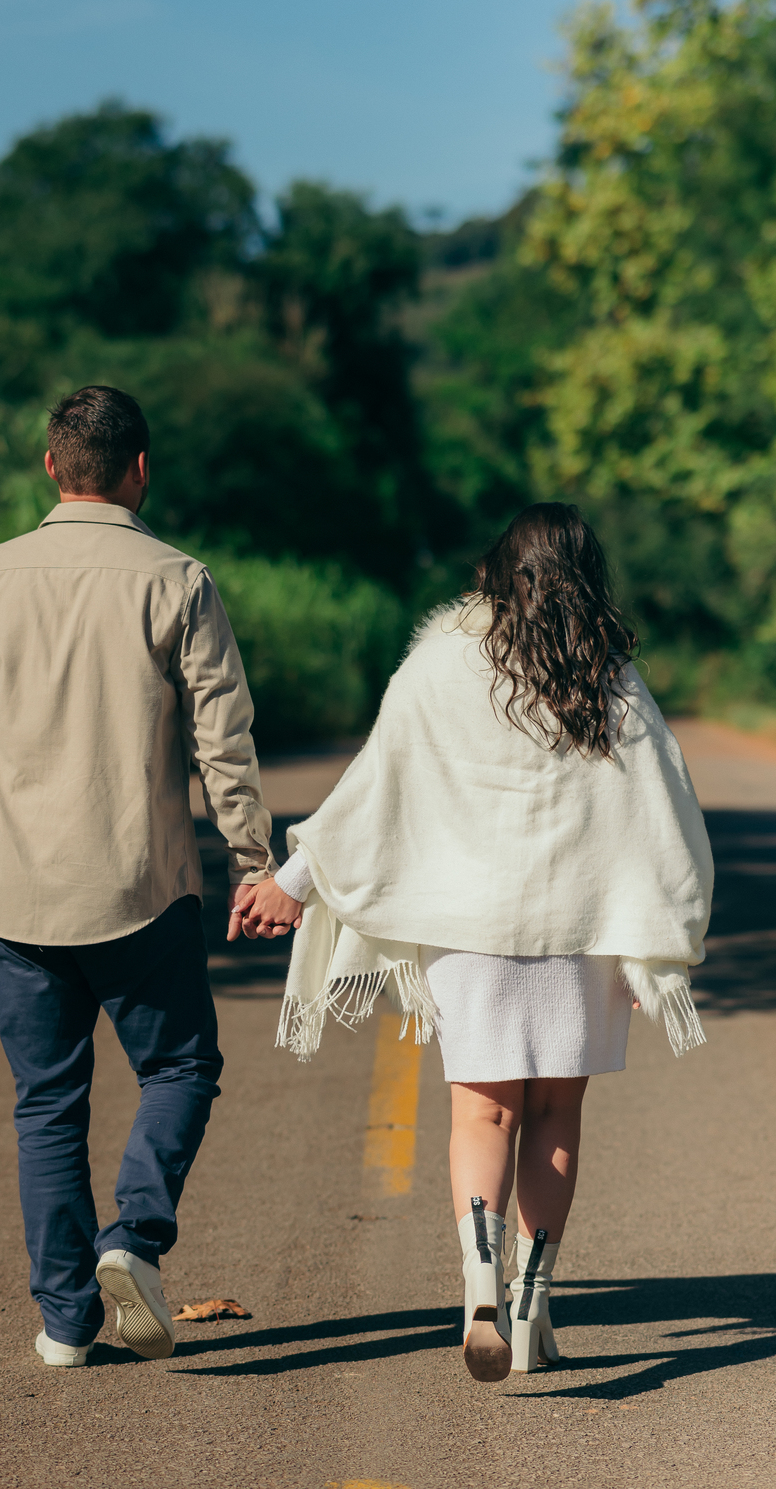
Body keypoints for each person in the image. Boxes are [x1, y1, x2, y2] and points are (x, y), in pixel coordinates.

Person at [232, 503, 713, 1383]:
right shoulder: (612, 678)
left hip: (472, 935)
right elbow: (663, 809)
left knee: (481, 1112)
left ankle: (479, 1274)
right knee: (556, 1115)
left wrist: (291, 882)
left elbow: (377, 784)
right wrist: (660, 942)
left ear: (502, 569)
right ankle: (534, 1293)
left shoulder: (443, 662)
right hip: (582, 936)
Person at [0, 385, 275, 1369]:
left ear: (51, 468)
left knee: (47, 1102)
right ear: (140, 469)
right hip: (140, 886)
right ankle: (137, 1236)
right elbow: (224, 738)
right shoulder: (179, 581)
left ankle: (67, 1323)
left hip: (16, 889)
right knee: (180, 1068)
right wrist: (253, 857)